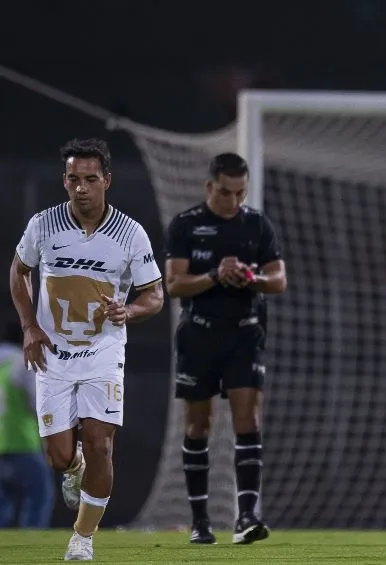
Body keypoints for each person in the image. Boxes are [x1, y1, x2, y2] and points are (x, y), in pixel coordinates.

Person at [10, 138, 164, 559]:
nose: (81, 187)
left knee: (101, 444)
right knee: (58, 457)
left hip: (103, 353)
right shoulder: (43, 225)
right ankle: (73, 466)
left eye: (90, 179)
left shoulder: (130, 234)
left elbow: (155, 295)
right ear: (64, 181)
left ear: (106, 181)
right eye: (73, 179)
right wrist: (29, 326)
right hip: (52, 355)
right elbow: (19, 271)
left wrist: (129, 310)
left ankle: (83, 537)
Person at [164, 153, 287, 545]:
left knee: (248, 420)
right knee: (198, 426)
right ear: (209, 187)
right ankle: (200, 522)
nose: (233, 201)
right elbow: (174, 285)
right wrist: (216, 275)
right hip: (199, 335)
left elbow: (278, 279)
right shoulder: (186, 225)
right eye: (225, 192)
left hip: (244, 335)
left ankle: (246, 517)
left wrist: (251, 277)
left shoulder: (257, 224)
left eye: (240, 193)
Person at [0, 319, 54, 528]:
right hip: (22, 443)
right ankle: (31, 541)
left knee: (3, 504)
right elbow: (36, 403)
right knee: (39, 497)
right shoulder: (22, 363)